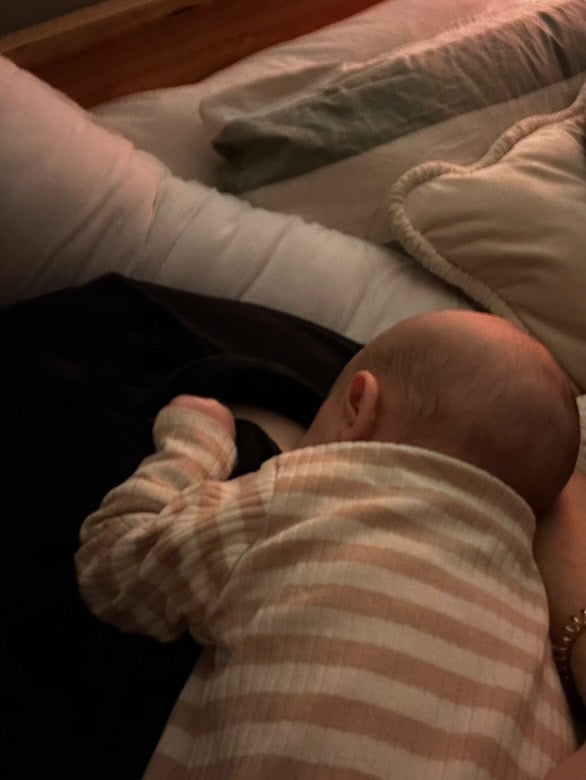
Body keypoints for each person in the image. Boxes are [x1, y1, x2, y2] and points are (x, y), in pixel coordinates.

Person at [76, 310, 581, 778]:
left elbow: (113, 566)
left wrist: (193, 443)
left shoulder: (299, 496)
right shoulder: (545, 650)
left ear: (357, 406)